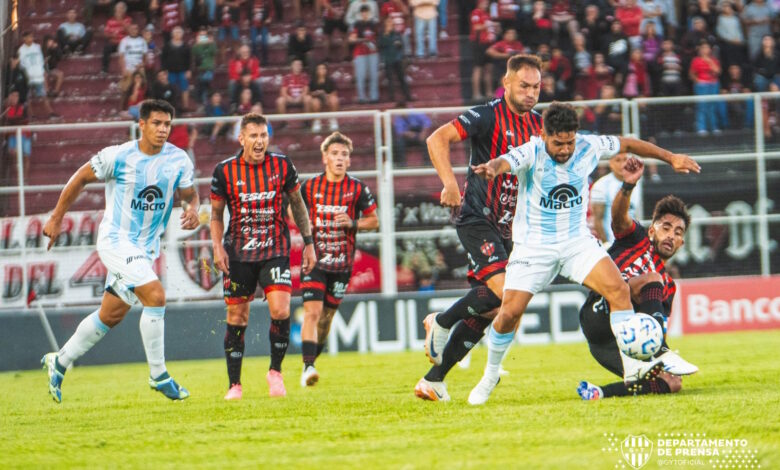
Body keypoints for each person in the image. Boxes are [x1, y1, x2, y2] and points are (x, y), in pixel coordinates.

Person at [466, 102, 701, 405]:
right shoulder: (531, 151)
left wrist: (671, 158)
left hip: (576, 242)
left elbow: (628, 142)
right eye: (558, 143)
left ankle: (632, 368)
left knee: (618, 289)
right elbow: (504, 162)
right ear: (543, 135)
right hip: (535, 246)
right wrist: (493, 168)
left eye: (569, 142)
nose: (565, 149)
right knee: (509, 312)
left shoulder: (588, 146)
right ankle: (490, 375)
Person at [41, 99, 200, 403]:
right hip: (115, 241)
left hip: (145, 249)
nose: (163, 129)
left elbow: (191, 196)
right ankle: (158, 375)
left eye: (167, 124)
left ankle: (59, 362)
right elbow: (81, 177)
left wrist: (193, 210)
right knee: (156, 296)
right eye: (156, 123)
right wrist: (57, 216)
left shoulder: (178, 160)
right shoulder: (119, 156)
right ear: (142, 124)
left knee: (110, 315)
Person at [413, 54, 543, 403]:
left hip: (510, 230)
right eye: (524, 86)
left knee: (492, 306)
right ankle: (441, 321)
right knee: (504, 293)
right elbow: (437, 139)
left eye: (536, 87)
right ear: (507, 83)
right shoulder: (487, 115)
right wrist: (450, 183)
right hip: (476, 216)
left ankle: (434, 380)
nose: (531, 93)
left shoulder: (541, 127)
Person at [210, 113, 317, 400]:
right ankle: (235, 384)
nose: (259, 141)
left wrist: (309, 243)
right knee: (237, 316)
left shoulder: (282, 165)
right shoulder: (224, 171)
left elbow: (298, 204)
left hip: (275, 250)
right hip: (238, 253)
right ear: (241, 138)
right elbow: (216, 215)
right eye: (253, 136)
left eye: (263, 135)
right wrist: (217, 246)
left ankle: (275, 372)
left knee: (281, 310)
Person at [579, 158, 698, 401]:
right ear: (652, 230)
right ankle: (661, 351)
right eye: (666, 228)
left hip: (608, 346)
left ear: (682, 243)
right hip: (598, 313)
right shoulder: (636, 238)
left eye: (678, 233)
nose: (671, 236)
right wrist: (627, 187)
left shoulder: (669, 287)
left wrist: (656, 362)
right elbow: (618, 217)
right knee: (652, 279)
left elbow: (656, 324)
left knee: (672, 382)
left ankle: (599, 393)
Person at [298, 132, 378, 387]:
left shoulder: (357, 188)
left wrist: (353, 222)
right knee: (312, 312)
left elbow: (374, 220)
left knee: (326, 318)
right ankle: (308, 366)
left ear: (350, 160)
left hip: (342, 265)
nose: (340, 158)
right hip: (315, 261)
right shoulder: (309, 187)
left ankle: (312, 361)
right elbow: (293, 208)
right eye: (335, 153)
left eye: (344, 154)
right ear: (325, 158)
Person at [590, 153, 639, 245]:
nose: (622, 164)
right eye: (618, 160)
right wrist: (606, 244)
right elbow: (597, 220)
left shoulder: (635, 183)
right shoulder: (601, 185)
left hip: (631, 242)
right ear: (610, 163)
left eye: (625, 160)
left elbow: (634, 214)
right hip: (612, 243)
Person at [18, 31, 57, 118]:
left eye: (31, 37)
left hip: (38, 75)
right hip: (28, 77)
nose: (31, 39)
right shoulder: (21, 50)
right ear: (24, 38)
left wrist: (42, 71)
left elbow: (41, 60)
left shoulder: (37, 47)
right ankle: (31, 115)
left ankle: (50, 113)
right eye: (28, 37)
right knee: (28, 97)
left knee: (43, 95)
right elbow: (21, 65)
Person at [379, 17, 413, 107]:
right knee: (390, 79)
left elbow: (400, 45)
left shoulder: (397, 34)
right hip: (388, 59)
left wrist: (398, 44)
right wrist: (387, 37)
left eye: (391, 24)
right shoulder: (382, 35)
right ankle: (391, 97)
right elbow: (381, 45)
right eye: (388, 24)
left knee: (402, 78)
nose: (390, 25)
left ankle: (408, 95)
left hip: (397, 59)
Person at [349, 6, 380, 104]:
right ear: (360, 14)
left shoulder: (374, 24)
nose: (365, 14)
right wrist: (363, 40)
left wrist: (373, 43)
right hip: (360, 52)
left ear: (370, 13)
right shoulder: (357, 24)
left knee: (373, 75)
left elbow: (378, 37)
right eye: (363, 12)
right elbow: (351, 39)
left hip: (372, 51)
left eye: (366, 12)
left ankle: (374, 97)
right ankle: (361, 97)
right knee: (360, 75)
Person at [161, 26, 192, 110]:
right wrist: (164, 71)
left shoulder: (186, 46)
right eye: (176, 32)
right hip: (170, 71)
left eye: (179, 32)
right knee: (169, 88)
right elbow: (163, 59)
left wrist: (189, 70)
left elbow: (189, 59)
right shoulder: (167, 46)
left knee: (184, 88)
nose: (178, 34)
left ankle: (185, 106)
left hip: (182, 71)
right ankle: (170, 105)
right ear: (172, 34)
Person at [308, 63, 340, 132]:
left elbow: (334, 92)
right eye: (320, 69)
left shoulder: (330, 81)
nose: (322, 70)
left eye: (323, 68)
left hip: (328, 98)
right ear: (317, 71)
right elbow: (310, 93)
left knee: (334, 100)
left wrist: (327, 96)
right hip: (317, 98)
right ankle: (317, 121)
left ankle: (333, 119)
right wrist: (317, 93)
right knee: (315, 102)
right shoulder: (313, 81)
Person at [102, 2, 132, 74]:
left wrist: (120, 21)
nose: (119, 11)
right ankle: (104, 70)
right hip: (114, 42)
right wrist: (111, 36)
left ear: (124, 10)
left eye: (121, 9)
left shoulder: (128, 19)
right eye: (117, 9)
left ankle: (128, 69)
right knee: (106, 48)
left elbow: (130, 32)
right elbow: (105, 34)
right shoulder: (110, 21)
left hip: (124, 43)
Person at [117, 23, 148, 91]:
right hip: (128, 69)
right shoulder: (124, 41)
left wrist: (143, 64)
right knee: (126, 90)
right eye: (131, 29)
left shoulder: (142, 41)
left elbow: (145, 57)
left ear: (138, 30)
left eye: (135, 29)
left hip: (139, 69)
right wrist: (123, 69)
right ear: (129, 30)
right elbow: (121, 57)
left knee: (142, 89)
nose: (133, 30)